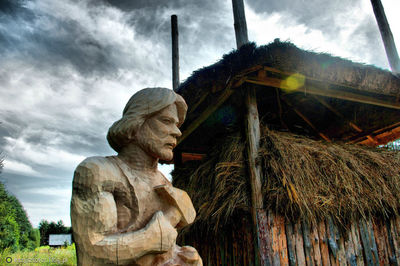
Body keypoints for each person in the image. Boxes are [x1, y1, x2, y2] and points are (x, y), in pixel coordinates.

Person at [70, 87, 202, 265]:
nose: (177, 132)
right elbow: (92, 253)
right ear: (136, 122)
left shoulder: (163, 182)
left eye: (176, 125)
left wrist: (178, 255)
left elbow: (162, 251)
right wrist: (150, 238)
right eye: (166, 121)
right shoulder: (98, 171)